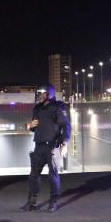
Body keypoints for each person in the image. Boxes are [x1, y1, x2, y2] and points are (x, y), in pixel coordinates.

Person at [20, 83, 71, 213]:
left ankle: (53, 202)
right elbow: (34, 126)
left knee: (53, 175)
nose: (41, 95)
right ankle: (31, 202)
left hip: (53, 146)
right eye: (40, 93)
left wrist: (65, 143)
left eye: (44, 93)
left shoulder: (58, 106)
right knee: (33, 175)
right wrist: (30, 126)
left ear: (50, 93)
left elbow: (66, 125)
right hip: (39, 145)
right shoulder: (37, 108)